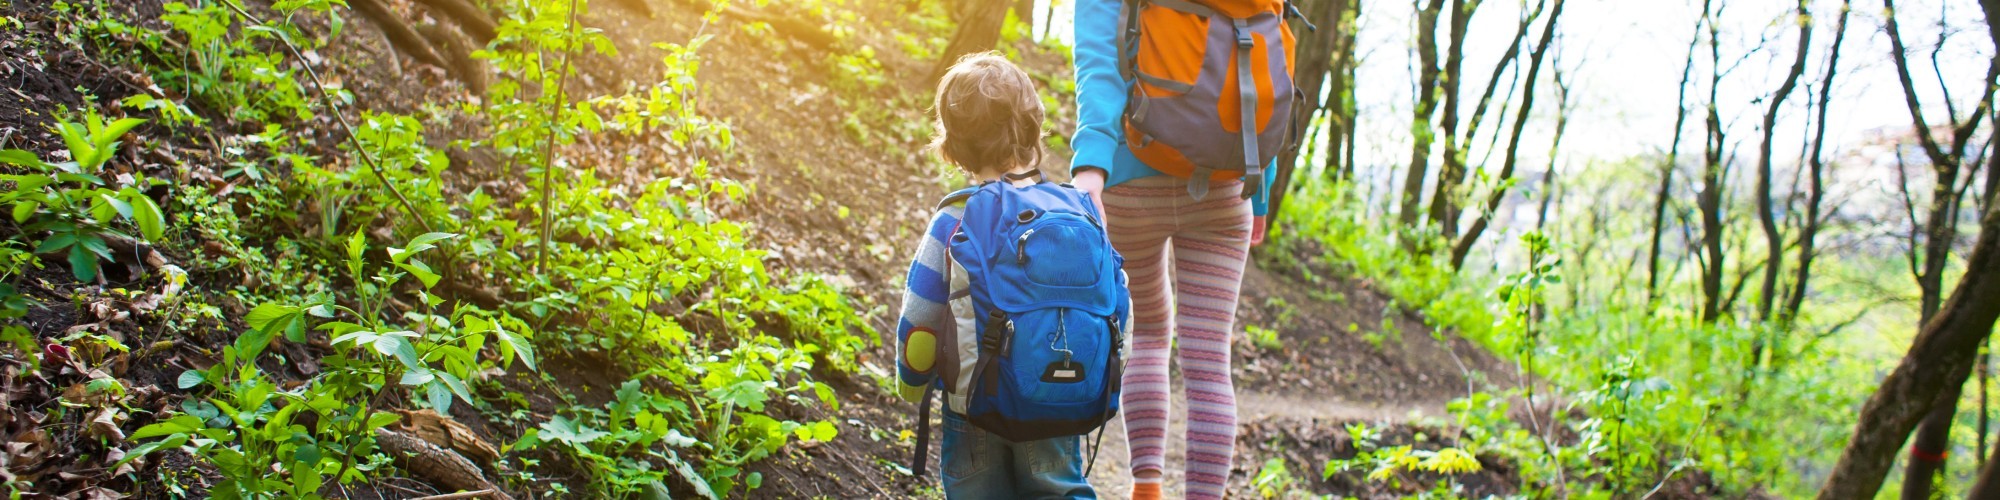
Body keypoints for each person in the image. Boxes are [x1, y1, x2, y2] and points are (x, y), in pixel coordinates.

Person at [1070, 0, 1279, 498]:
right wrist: (1262, 187)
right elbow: (1265, 80)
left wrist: (1091, 164)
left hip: (1128, 182)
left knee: (1148, 334)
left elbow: (1098, 63)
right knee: (1209, 362)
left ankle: (1147, 487)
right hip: (1225, 184)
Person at [895, 52, 1112, 500]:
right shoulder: (1076, 212)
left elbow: (920, 316)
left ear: (954, 144)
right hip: (1058, 395)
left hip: (973, 405)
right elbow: (1115, 306)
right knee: (1058, 490)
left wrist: (911, 381)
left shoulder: (955, 218)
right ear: (1034, 128)